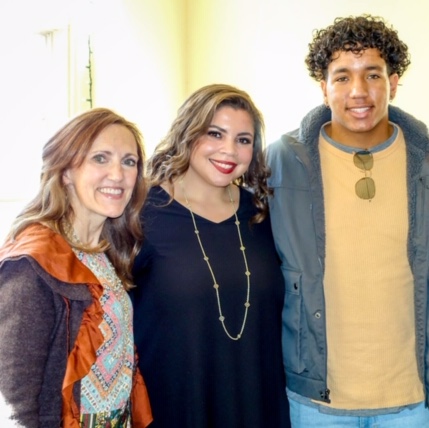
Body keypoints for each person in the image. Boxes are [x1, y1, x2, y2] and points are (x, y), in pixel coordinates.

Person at [266, 14, 429, 427]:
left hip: (409, 399)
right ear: (324, 87)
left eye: (372, 74)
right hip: (316, 399)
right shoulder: (283, 161)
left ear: (393, 83)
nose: (358, 91)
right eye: (342, 77)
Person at [130, 84, 290, 427]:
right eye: (215, 134)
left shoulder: (262, 214)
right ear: (188, 133)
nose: (229, 150)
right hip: (176, 409)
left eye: (243, 140)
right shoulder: (140, 213)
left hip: (258, 405)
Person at [0, 108, 152, 427]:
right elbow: (13, 399)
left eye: (129, 161)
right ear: (66, 171)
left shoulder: (105, 251)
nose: (118, 174)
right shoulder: (33, 263)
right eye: (100, 158)